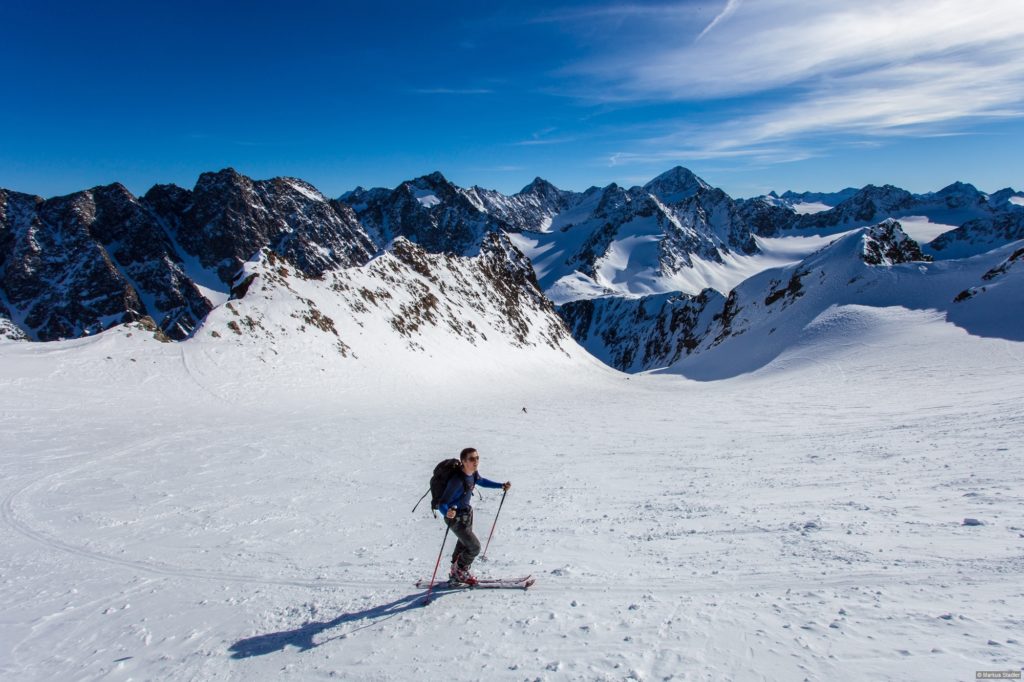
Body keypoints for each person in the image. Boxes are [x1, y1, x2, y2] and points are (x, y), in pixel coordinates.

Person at [436, 447, 511, 585]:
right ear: (464, 461)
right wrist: (447, 512)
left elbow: (481, 481)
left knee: (464, 544)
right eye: (471, 459)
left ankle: (455, 573)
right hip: (455, 518)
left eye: (477, 458)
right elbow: (442, 502)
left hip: (467, 515)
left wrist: (500, 486)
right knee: (474, 547)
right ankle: (460, 570)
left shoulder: (473, 474)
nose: (476, 461)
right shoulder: (456, 480)